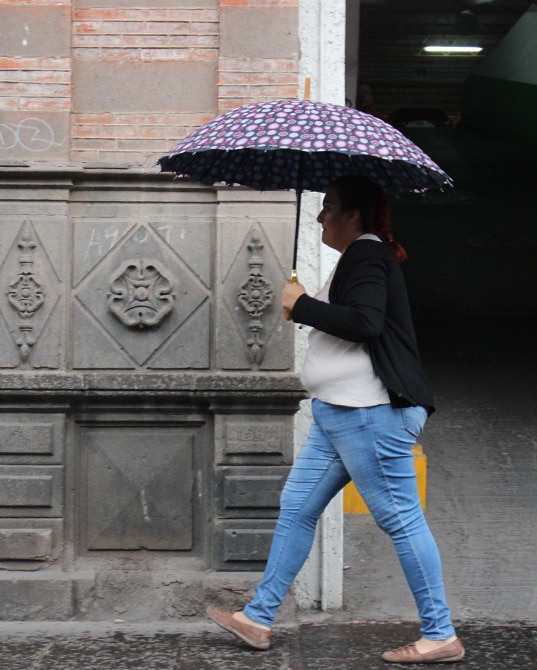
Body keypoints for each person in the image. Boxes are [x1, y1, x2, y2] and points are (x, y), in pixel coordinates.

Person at [207, 175, 464, 664]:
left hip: (368, 413)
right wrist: (309, 303)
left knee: (401, 520)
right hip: (339, 414)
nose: (323, 216)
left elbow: (365, 323)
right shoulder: (360, 257)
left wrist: (300, 305)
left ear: (354, 216)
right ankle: (259, 618)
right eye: (322, 208)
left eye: (330, 208)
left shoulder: (368, 255)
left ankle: (440, 633)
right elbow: (356, 318)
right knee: (297, 506)